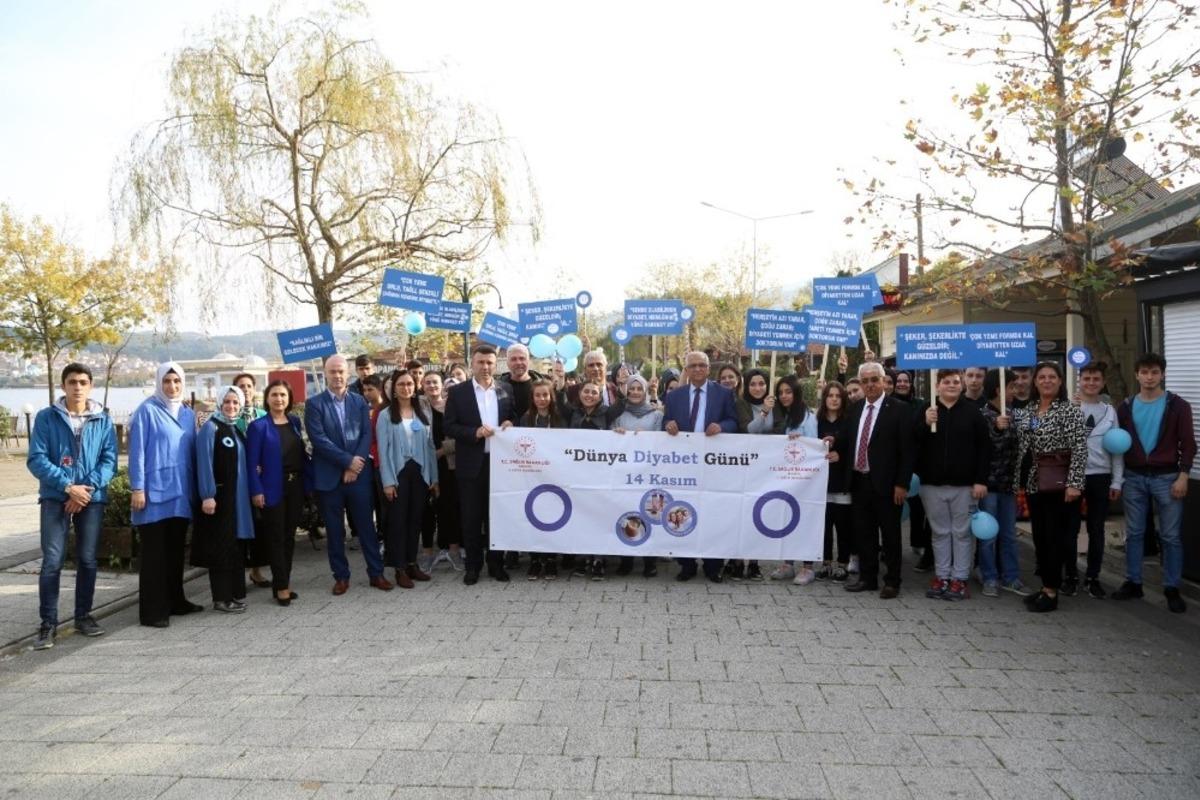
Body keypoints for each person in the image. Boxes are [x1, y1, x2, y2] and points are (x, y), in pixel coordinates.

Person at [27, 363, 118, 649]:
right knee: (52, 561)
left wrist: (85, 490)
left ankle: (83, 616)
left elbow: (109, 461)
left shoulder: (103, 420)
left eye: (82, 382)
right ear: (63, 385)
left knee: (88, 559)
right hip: (55, 498)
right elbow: (36, 459)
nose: (77, 387)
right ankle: (48, 624)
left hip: (91, 499)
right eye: (72, 382)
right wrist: (68, 487)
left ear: (90, 386)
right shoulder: (47, 417)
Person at [1112, 353, 1195, 613]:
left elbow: (1189, 444)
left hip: (1168, 477)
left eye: (1155, 372)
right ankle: (1134, 582)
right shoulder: (1125, 407)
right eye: (1145, 372)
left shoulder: (1178, 405)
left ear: (1163, 374)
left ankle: (1171, 587)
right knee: (1134, 534)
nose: (1149, 377)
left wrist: (1183, 475)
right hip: (1134, 476)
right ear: (1137, 375)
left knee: (1170, 536)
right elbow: (1116, 442)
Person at [306, 354, 391, 595]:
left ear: (348, 373)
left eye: (341, 371)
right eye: (333, 371)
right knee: (335, 531)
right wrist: (347, 462)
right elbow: (319, 440)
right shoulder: (314, 404)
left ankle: (376, 573)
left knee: (367, 528)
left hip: (358, 476)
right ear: (325, 374)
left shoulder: (359, 402)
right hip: (329, 477)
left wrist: (355, 465)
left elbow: (366, 434)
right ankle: (341, 577)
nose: (337, 376)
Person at [128, 362, 204, 627]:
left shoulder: (187, 413)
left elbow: (193, 452)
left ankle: (176, 601)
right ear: (159, 383)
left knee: (175, 553)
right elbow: (136, 452)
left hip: (181, 494)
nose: (172, 386)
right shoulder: (146, 411)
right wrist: (137, 488)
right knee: (154, 556)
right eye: (167, 381)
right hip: (153, 496)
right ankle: (153, 612)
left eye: (177, 381)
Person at [1012, 361, 1086, 613]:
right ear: (1035, 382)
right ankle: (1046, 586)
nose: (1046, 381)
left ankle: (1052, 592)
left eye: (1052, 377)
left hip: (1060, 483)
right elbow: (1022, 441)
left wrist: (1074, 484)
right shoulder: (1030, 410)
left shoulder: (1069, 410)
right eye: (1042, 377)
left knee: (1055, 537)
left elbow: (1080, 449)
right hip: (1035, 481)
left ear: (1060, 381)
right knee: (1041, 537)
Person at [838, 361, 914, 598]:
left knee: (891, 535)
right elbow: (846, 440)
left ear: (883, 381)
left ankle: (892, 581)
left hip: (888, 484)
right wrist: (830, 442)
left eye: (874, 380)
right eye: (865, 381)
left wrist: (902, 483)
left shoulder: (899, 409)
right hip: (859, 481)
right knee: (864, 534)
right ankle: (868, 578)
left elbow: (908, 451)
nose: (870, 385)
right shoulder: (855, 409)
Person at [913, 370, 991, 602]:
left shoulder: (972, 412)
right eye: (946, 382)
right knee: (940, 532)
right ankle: (942, 576)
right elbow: (912, 441)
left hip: (964, 486)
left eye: (956, 382)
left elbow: (984, 448)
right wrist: (925, 423)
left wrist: (981, 480)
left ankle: (959, 578)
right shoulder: (927, 409)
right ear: (938, 386)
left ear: (962, 385)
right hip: (932, 484)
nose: (951, 385)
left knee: (962, 533)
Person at [662, 351, 738, 583]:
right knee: (682, 510)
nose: (697, 369)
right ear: (686, 370)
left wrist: (722, 427)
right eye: (692, 366)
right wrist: (668, 424)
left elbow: (734, 421)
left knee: (712, 513)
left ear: (708, 368)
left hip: (713, 466)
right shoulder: (674, 396)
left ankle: (713, 566)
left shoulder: (724, 393)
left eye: (701, 365)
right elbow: (665, 421)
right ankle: (686, 564)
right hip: (683, 467)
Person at [444, 345, 517, 584]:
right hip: (471, 464)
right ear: (472, 364)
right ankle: (473, 566)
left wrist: (510, 423)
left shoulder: (505, 389)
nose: (485, 367)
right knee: (471, 517)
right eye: (480, 362)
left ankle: (496, 564)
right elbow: (449, 426)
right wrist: (473, 432)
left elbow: (513, 416)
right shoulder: (458, 392)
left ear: (495, 365)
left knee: (497, 516)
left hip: (500, 464)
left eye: (489, 363)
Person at [749, 375, 819, 584]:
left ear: (796, 393)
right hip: (786, 478)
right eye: (780, 392)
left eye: (788, 392)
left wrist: (801, 441)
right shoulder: (785, 416)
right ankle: (788, 564)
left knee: (804, 521)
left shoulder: (807, 417)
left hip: (804, 480)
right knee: (788, 518)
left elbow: (813, 447)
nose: (784, 396)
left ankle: (807, 567)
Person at [247, 379, 311, 606]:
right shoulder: (258, 426)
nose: (279, 399)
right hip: (271, 488)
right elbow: (251, 463)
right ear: (267, 398)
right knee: (275, 538)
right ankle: (282, 587)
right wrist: (256, 490)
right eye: (274, 395)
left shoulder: (294, 422)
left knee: (288, 537)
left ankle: (283, 583)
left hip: (295, 487)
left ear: (289, 398)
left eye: (283, 395)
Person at [194, 386, 256, 613]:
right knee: (221, 546)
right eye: (227, 402)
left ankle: (235, 593)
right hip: (220, 499)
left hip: (238, 500)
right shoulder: (211, 428)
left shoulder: (235, 428)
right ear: (220, 404)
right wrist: (207, 494)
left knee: (235, 546)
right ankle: (221, 598)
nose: (231, 406)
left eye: (235, 402)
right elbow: (204, 462)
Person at [1065, 363, 1124, 599]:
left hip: (1100, 476)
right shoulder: (1068, 407)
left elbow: (1117, 448)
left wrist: (1117, 481)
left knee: (1096, 529)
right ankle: (1070, 576)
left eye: (1096, 379)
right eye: (1087, 378)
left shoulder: (1110, 411)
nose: (1091, 383)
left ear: (1103, 382)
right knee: (1069, 529)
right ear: (1079, 380)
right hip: (1072, 476)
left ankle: (1092, 578)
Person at [377, 369, 438, 589]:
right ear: (394, 389)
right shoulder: (385, 415)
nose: (406, 388)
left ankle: (412, 563)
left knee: (415, 520)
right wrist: (387, 481)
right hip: (398, 474)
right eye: (401, 384)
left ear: (415, 386)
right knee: (398, 522)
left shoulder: (422, 410)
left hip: (420, 473)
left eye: (410, 384)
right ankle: (399, 568)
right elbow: (383, 451)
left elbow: (430, 446)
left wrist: (434, 477)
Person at [978, 369, 1030, 597]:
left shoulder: (1014, 415)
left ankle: (1011, 576)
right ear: (999, 389)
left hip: (1009, 485)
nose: (1015, 390)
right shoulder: (983, 416)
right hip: (989, 486)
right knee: (988, 535)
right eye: (1011, 386)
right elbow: (984, 449)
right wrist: (997, 430)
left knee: (1009, 534)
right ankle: (989, 577)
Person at [611, 374, 665, 578]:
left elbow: (662, 442)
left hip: (649, 474)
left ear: (645, 391)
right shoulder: (619, 415)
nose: (635, 392)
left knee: (649, 513)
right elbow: (608, 439)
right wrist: (616, 433)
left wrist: (649, 438)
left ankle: (650, 561)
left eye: (639, 388)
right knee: (626, 513)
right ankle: (626, 560)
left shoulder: (656, 415)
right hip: (625, 474)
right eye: (631, 388)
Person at [518, 378, 568, 580]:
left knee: (551, 515)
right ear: (532, 398)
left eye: (545, 395)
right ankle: (535, 559)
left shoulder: (559, 418)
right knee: (533, 515)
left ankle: (551, 559)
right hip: (532, 475)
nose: (541, 399)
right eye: (537, 395)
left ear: (551, 396)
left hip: (554, 474)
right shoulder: (526, 418)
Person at [232, 372, 271, 588]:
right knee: (240, 523)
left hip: (260, 477)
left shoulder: (263, 414)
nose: (246, 390)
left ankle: (257, 570)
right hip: (238, 477)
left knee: (260, 523)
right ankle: (238, 570)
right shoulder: (230, 415)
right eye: (241, 386)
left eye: (249, 386)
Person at [815, 381, 853, 584]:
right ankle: (826, 563)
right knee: (825, 526)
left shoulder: (849, 421)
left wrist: (841, 456)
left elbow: (855, 448)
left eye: (838, 396)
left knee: (843, 526)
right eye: (830, 395)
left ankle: (843, 564)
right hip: (821, 483)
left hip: (842, 482)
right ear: (825, 398)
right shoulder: (817, 421)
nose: (834, 399)